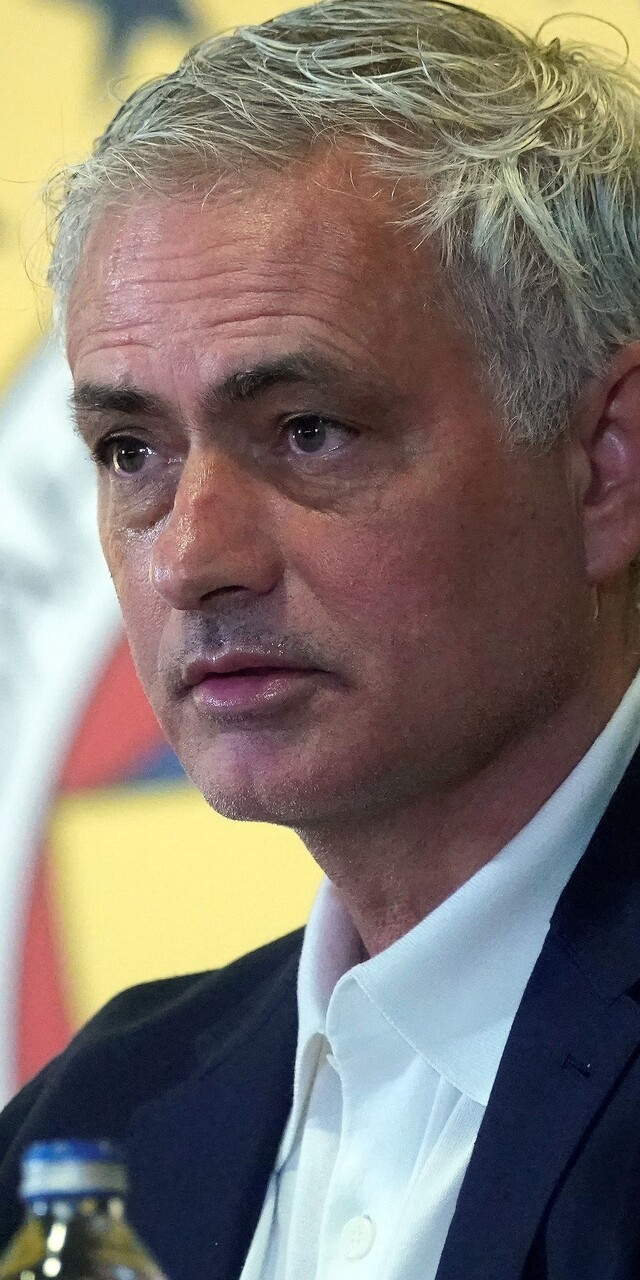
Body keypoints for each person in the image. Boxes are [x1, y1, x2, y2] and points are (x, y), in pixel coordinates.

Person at [2, 0, 640, 1274]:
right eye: (130, 451)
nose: (190, 557)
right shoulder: (93, 1125)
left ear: (603, 462)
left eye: (308, 430)